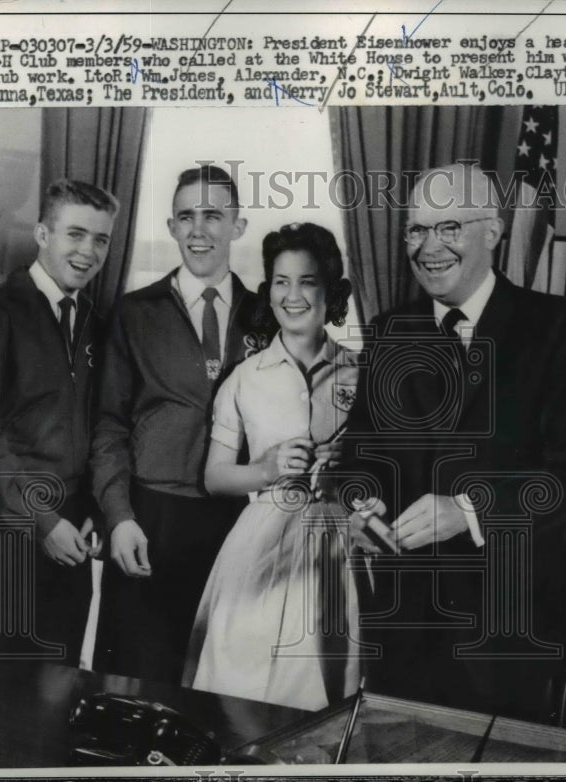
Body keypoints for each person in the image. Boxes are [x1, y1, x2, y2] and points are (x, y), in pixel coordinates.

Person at [346, 163, 566, 724]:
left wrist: (468, 511)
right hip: (403, 630)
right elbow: (358, 458)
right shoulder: (389, 331)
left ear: (492, 232)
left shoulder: (560, 326)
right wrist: (359, 506)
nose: (428, 247)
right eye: (416, 230)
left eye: (449, 228)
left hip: (510, 630)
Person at [91, 165, 272, 683]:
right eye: (186, 217)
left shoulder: (269, 315)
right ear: (171, 227)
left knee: (225, 683)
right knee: (138, 683)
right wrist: (120, 517)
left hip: (240, 525)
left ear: (237, 226)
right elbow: (108, 427)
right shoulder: (134, 312)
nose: (199, 230)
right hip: (152, 520)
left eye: (213, 216)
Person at [182, 222, 360, 710]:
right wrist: (263, 468)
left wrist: (351, 468)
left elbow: (388, 471)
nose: (293, 295)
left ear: (331, 293)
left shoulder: (361, 373)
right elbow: (214, 478)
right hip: (257, 550)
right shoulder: (244, 378)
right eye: (281, 281)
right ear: (269, 290)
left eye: (307, 282)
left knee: (326, 690)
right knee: (245, 688)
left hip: (337, 549)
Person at [0, 179, 118, 663]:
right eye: (76, 234)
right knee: (0, 698)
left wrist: (90, 509)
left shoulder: (94, 321)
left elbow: (91, 430)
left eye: (101, 239)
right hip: (8, 533)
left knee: (60, 686)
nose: (88, 251)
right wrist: (43, 521)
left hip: (70, 535)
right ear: (43, 234)